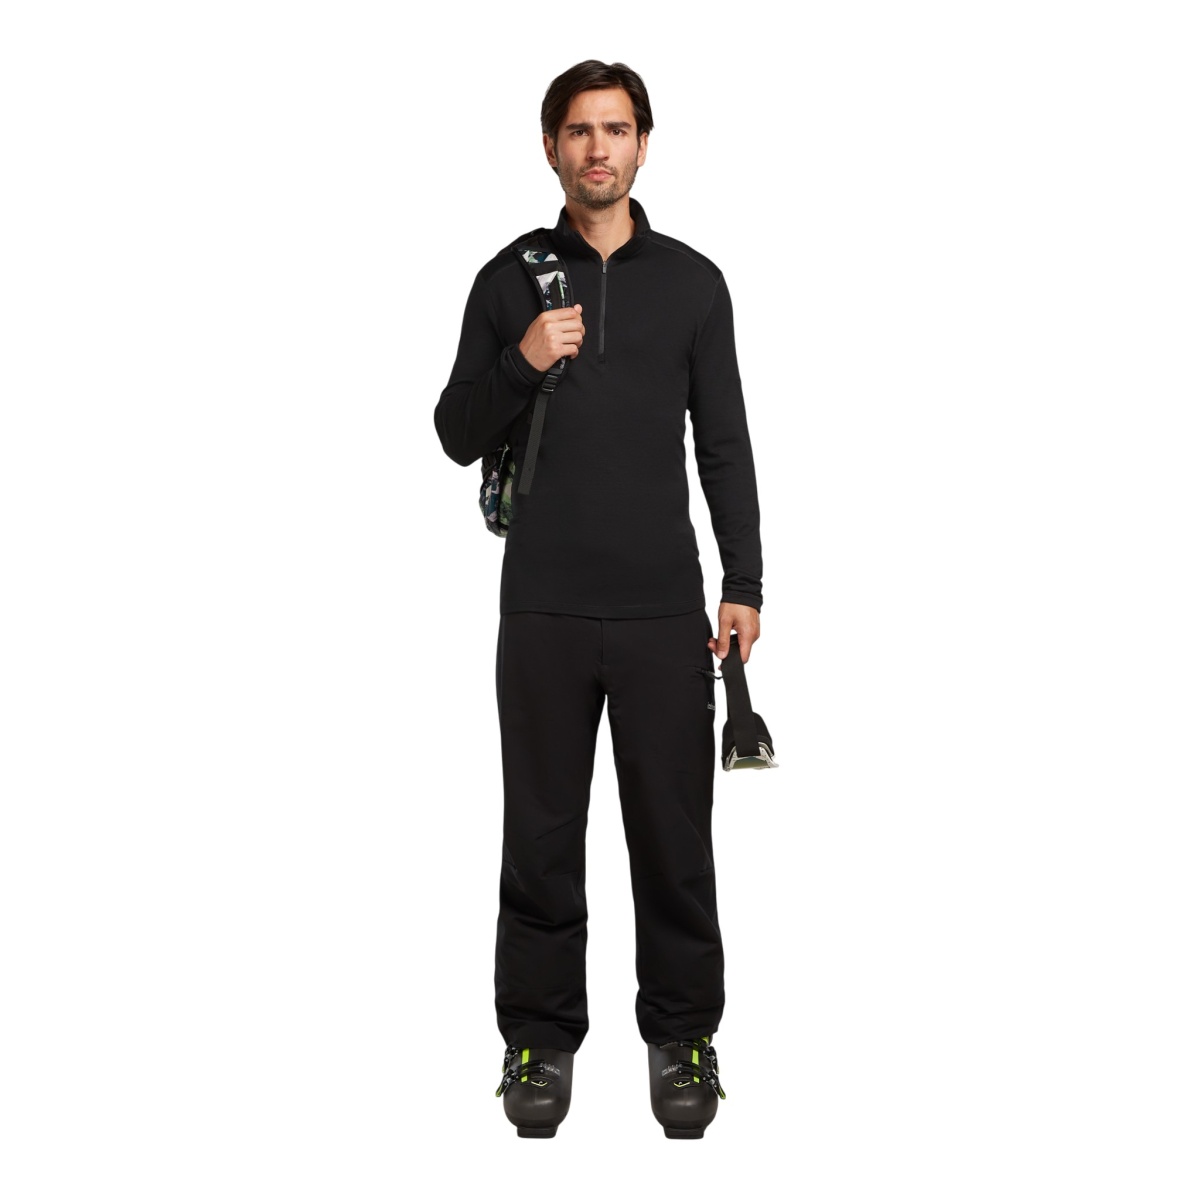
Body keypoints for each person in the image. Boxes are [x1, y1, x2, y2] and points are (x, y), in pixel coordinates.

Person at [433, 60, 764, 1140]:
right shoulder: (507, 282)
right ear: (550, 148)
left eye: (616, 129)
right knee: (539, 837)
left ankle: (684, 1039)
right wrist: (524, 361)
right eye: (578, 130)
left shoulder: (693, 284)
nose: (597, 149)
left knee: (674, 840)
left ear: (643, 145)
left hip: (665, 612)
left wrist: (743, 584)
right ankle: (537, 1042)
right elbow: (454, 431)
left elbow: (724, 443)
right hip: (543, 610)